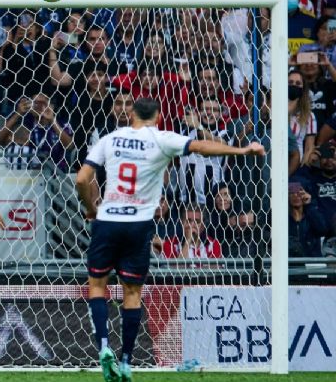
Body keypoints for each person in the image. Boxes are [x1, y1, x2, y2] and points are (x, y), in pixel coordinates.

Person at [76, 98, 264, 382]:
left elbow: (82, 179)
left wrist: (91, 208)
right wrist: (241, 149)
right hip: (138, 225)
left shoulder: (110, 138)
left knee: (97, 286)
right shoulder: (163, 139)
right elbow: (201, 146)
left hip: (108, 220)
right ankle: (126, 360)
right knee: (132, 294)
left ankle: (103, 346)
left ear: (131, 114)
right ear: (159, 115)